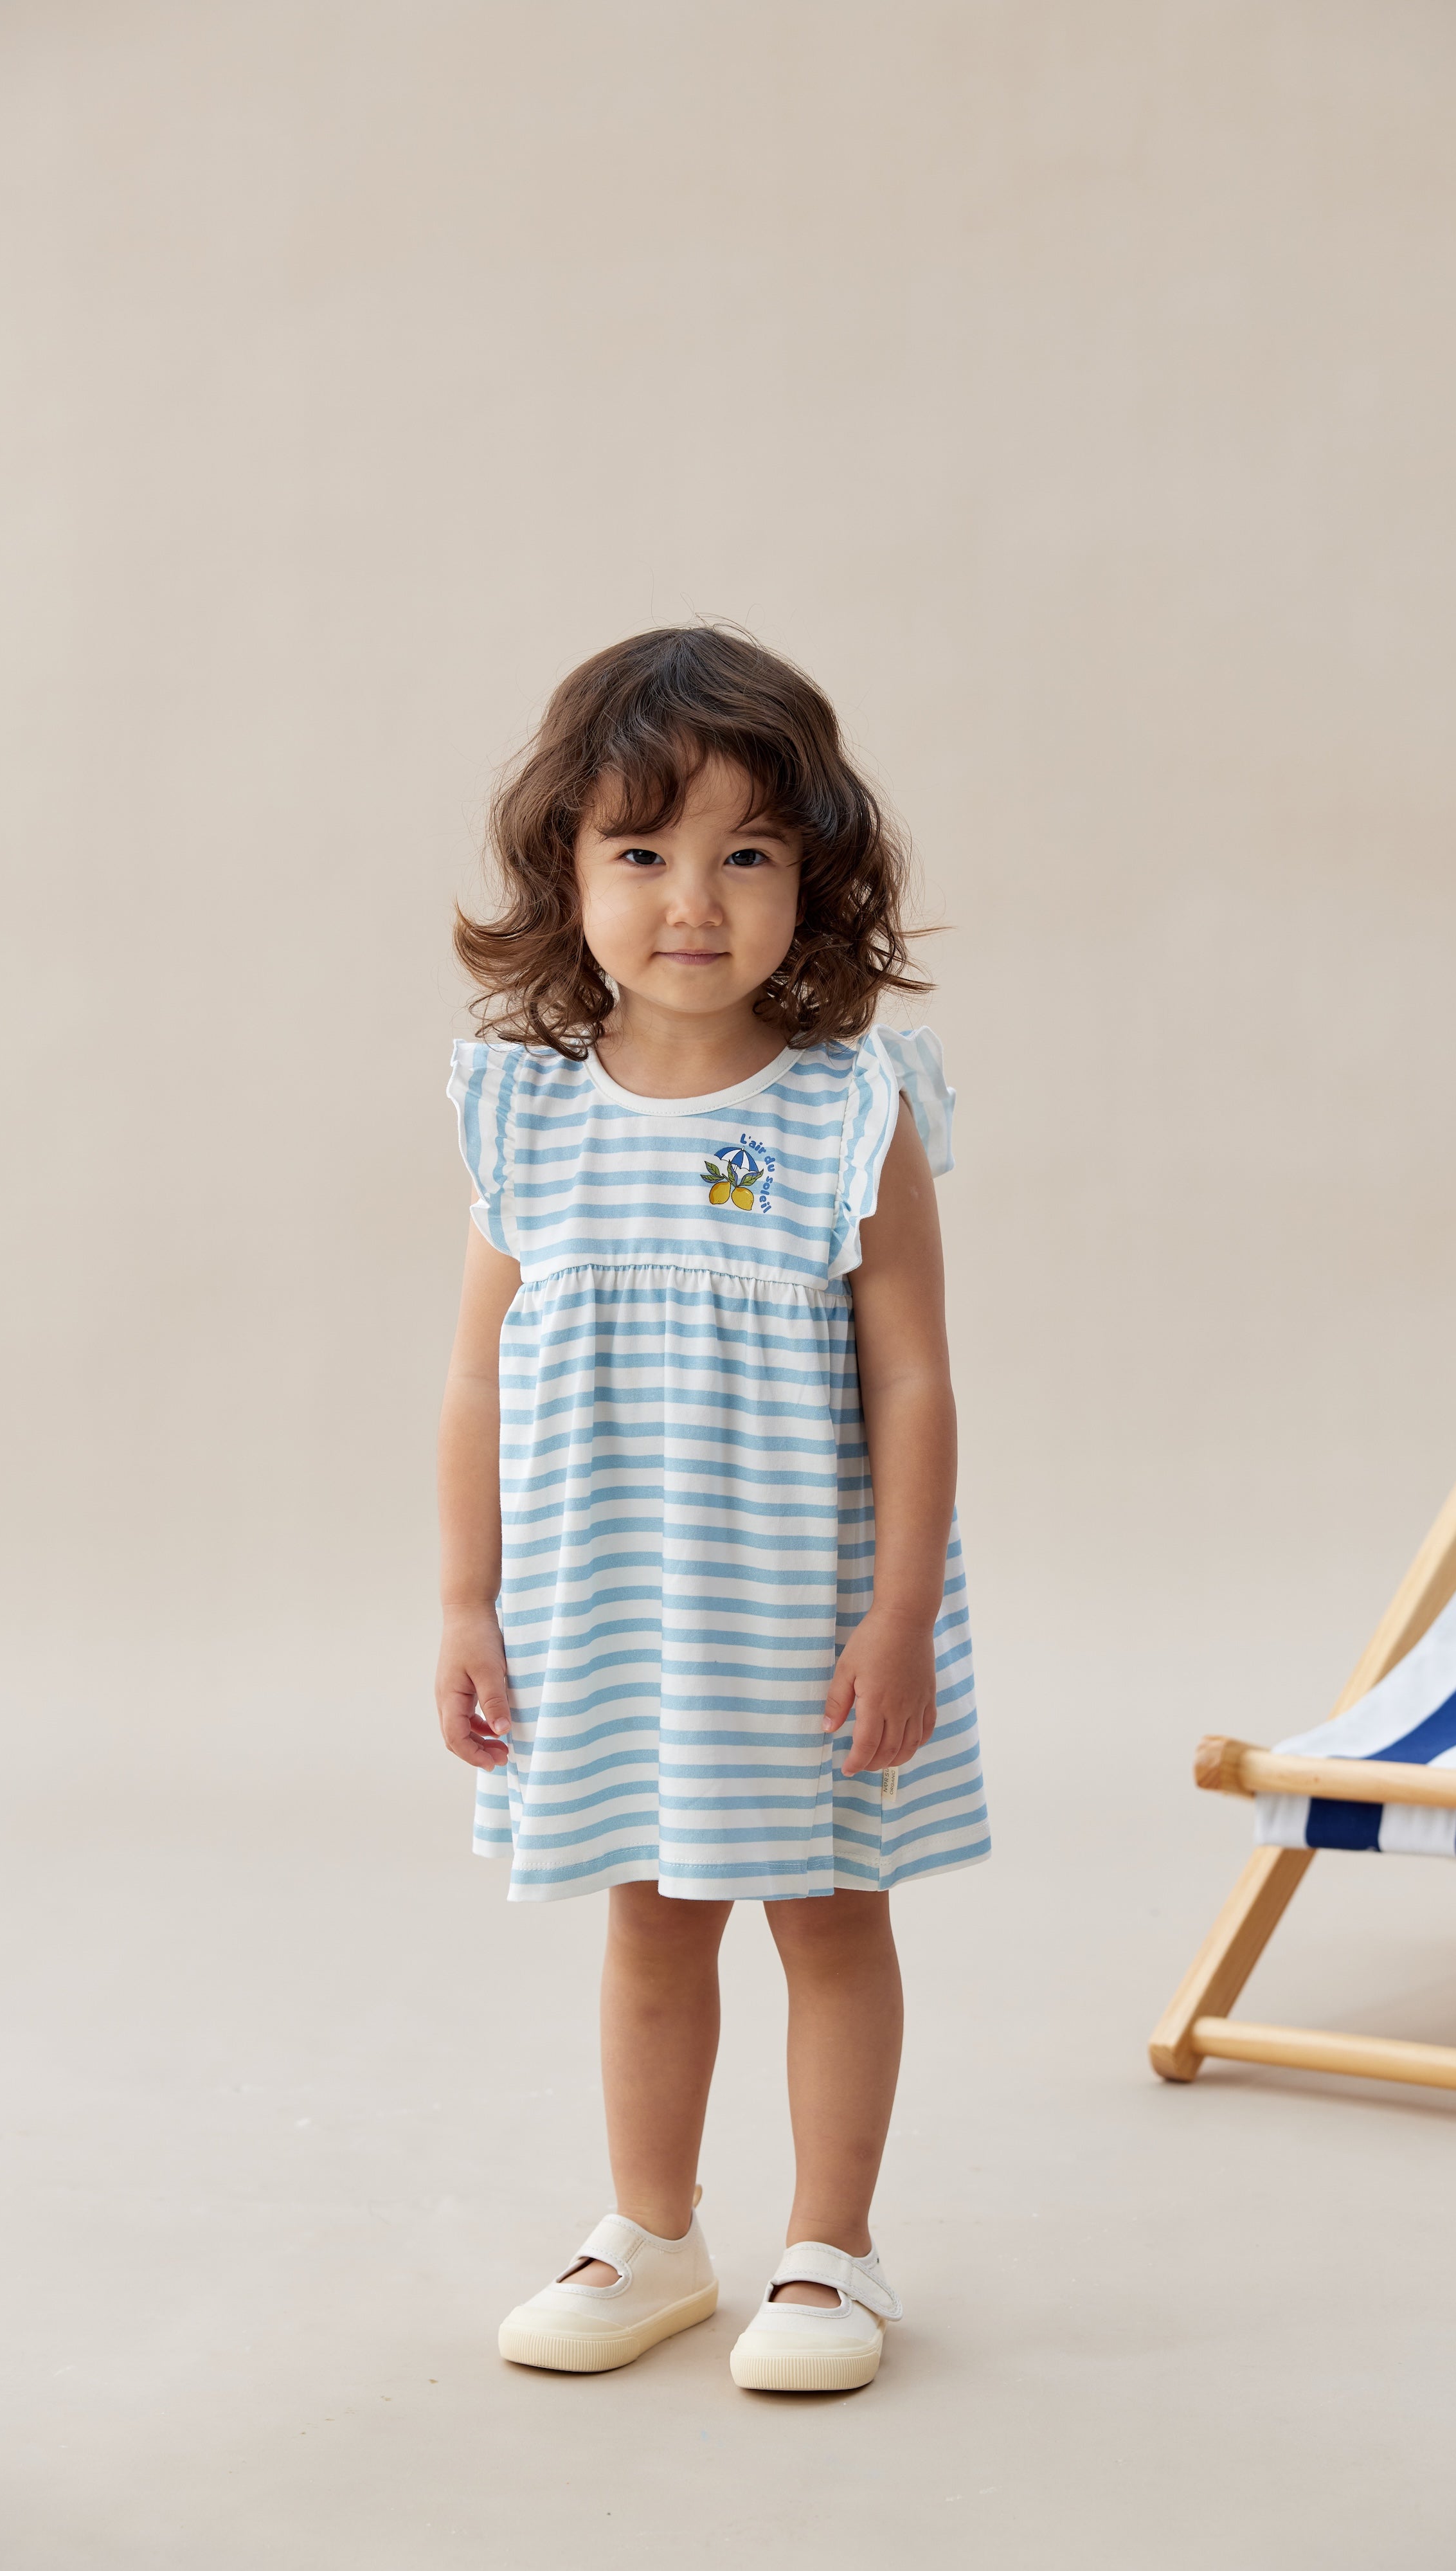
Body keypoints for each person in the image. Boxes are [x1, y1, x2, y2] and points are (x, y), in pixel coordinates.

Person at [435, 626, 989, 2394]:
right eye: (642, 851)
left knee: (828, 1916)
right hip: (609, 1613)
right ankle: (654, 2235)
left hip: (806, 1614)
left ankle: (829, 2254)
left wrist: (895, 1615)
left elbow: (911, 1378)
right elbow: (472, 1378)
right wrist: (466, 1602)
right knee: (649, 1917)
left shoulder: (849, 1113)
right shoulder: (525, 1116)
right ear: (566, 875)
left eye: (745, 852)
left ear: (812, 880)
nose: (693, 898)